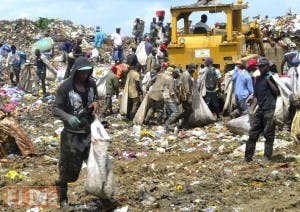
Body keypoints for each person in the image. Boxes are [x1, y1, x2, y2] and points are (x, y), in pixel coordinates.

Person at [53, 56, 99, 207]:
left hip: (88, 132)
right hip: (71, 136)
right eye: (81, 73)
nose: (84, 76)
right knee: (66, 169)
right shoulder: (65, 87)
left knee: (95, 165)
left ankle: (101, 195)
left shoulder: (91, 84)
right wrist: (67, 116)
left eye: (87, 73)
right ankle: (63, 199)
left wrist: (95, 103)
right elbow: (55, 108)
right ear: (75, 72)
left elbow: (96, 98)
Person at [244, 57, 279, 162]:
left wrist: (269, 80)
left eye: (263, 66)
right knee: (253, 133)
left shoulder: (272, 78)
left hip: (270, 109)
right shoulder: (258, 79)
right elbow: (256, 96)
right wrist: (251, 109)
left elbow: (277, 92)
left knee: (268, 134)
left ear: (267, 67)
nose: (260, 68)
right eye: (259, 66)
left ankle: (267, 156)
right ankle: (248, 157)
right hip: (260, 109)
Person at [178, 63, 196, 129]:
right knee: (189, 110)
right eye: (193, 69)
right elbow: (186, 87)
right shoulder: (186, 75)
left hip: (185, 95)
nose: (194, 71)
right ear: (189, 68)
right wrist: (189, 98)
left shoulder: (187, 74)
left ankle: (185, 125)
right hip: (185, 96)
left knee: (188, 111)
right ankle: (178, 118)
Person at [163, 67, 180, 132]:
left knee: (170, 113)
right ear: (175, 74)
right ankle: (167, 124)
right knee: (176, 112)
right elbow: (171, 91)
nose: (178, 76)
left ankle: (169, 127)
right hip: (170, 98)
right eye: (177, 75)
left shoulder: (168, 78)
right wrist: (176, 99)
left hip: (166, 97)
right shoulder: (171, 79)